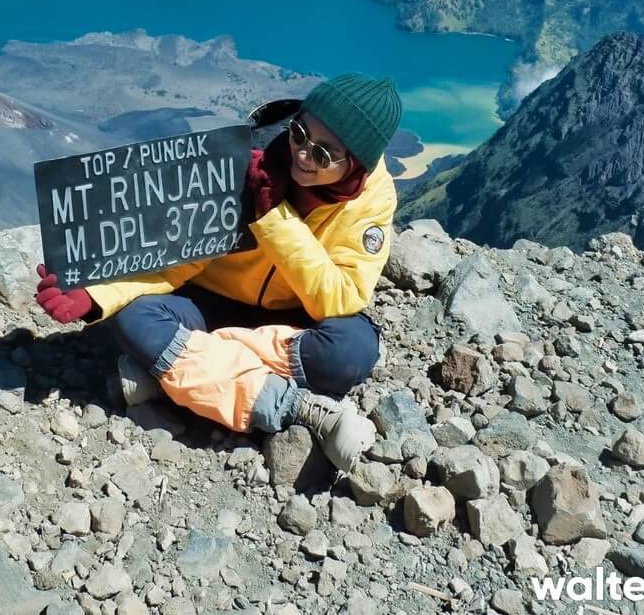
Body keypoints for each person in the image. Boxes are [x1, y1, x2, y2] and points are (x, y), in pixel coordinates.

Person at [36, 72, 402, 473]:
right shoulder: (246, 159)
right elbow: (175, 252)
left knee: (352, 350)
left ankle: (176, 370)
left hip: (290, 314)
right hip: (210, 302)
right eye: (299, 133)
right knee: (133, 317)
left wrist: (274, 218)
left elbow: (342, 297)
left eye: (323, 154)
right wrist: (99, 294)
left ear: (358, 163)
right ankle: (298, 408)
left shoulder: (373, 199)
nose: (301, 154)